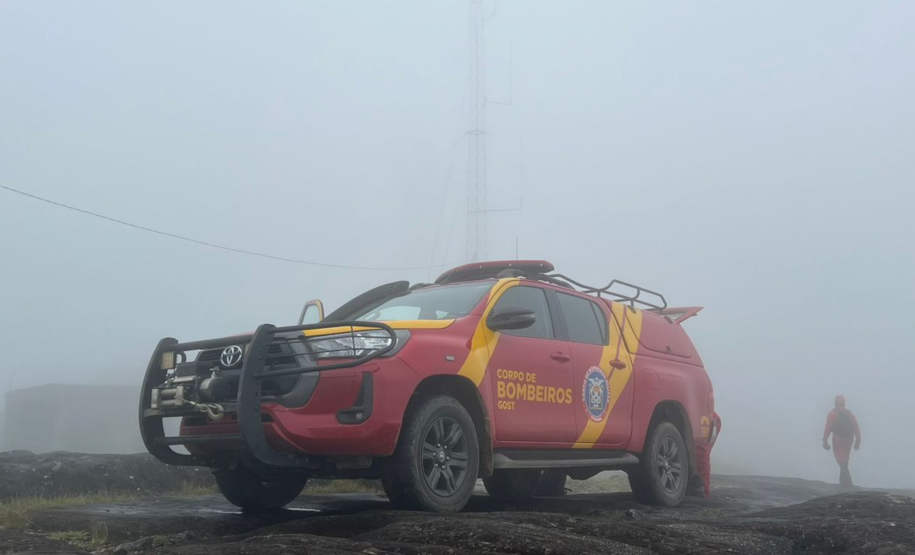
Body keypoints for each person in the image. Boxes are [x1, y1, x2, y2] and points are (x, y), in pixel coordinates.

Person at [822, 395, 861, 487]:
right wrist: (857, 442)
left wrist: (825, 441)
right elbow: (856, 428)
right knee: (845, 459)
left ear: (835, 403)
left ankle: (846, 483)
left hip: (838, 438)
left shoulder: (832, 413)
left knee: (841, 460)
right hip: (849, 438)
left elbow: (828, 428)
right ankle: (846, 482)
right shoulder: (850, 414)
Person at [694, 411, 722, 498]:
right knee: (698, 454)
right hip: (704, 418)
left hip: (707, 419)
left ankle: (704, 491)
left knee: (700, 453)